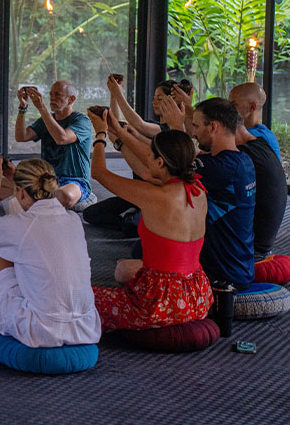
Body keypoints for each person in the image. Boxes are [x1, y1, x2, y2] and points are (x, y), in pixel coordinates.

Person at [87, 116, 213, 331]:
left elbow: (99, 173)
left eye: (151, 155)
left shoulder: (157, 196)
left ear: (160, 162)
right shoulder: (198, 189)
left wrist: (100, 135)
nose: (148, 158)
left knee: (81, 299)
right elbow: (147, 172)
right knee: (125, 269)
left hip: (160, 302)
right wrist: (118, 137)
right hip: (197, 296)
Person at [0, 158, 101, 359]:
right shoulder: (74, 220)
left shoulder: (20, 225)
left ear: (21, 192)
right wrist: (16, 178)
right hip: (85, 328)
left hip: (40, 330)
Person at [167, 98, 257, 290]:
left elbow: (168, 166)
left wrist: (176, 128)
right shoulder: (243, 160)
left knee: (128, 269)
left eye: (197, 126)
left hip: (221, 277)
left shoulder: (220, 168)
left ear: (214, 127)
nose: (193, 133)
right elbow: (197, 157)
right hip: (240, 270)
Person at [85, 76, 193, 234]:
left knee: (132, 227)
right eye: (154, 98)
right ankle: (136, 218)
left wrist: (104, 134)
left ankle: (139, 221)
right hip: (141, 189)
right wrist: (114, 96)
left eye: (160, 98)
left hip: (154, 191)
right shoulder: (155, 127)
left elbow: (136, 125)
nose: (155, 102)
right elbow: (121, 126)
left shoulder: (166, 134)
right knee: (92, 214)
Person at [6, 80, 94, 209]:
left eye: (58, 95)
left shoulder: (81, 121)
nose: (52, 99)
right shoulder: (45, 120)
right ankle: (41, 202)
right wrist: (22, 107)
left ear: (71, 99)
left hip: (74, 180)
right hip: (46, 180)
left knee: (65, 196)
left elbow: (62, 138)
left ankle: (36, 202)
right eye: (51, 95)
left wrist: (41, 107)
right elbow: (21, 136)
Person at [235, 113, 286, 258]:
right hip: (262, 247)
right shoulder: (262, 140)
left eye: (234, 103)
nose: (194, 133)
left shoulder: (239, 156)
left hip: (249, 254)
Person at [229, 82, 282, 159]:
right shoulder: (262, 133)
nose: (228, 109)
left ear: (252, 107)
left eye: (233, 105)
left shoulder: (256, 137)